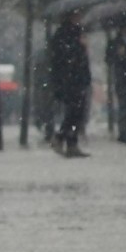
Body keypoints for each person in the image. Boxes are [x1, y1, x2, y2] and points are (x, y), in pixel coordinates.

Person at [47, 10, 93, 158]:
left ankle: (70, 143)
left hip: (77, 78)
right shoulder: (64, 34)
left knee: (77, 112)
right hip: (69, 79)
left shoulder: (77, 33)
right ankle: (61, 138)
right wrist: (78, 47)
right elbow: (63, 56)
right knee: (74, 111)